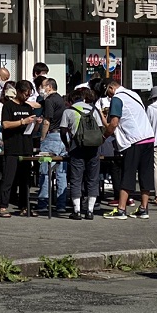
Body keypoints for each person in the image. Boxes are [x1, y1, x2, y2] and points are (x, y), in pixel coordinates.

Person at [103, 80, 155, 220]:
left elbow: (114, 123)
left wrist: (104, 136)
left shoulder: (117, 98)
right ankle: (144, 208)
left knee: (128, 173)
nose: (108, 97)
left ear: (111, 88)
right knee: (146, 174)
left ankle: (121, 209)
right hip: (148, 137)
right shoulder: (133, 94)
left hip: (133, 140)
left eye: (107, 93)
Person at [60, 84, 104, 220]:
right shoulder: (93, 109)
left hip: (76, 147)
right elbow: (101, 129)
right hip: (93, 148)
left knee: (76, 179)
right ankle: (90, 211)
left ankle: (77, 211)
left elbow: (62, 130)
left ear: (71, 100)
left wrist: (67, 144)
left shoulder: (68, 111)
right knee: (93, 178)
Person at [0, 81, 33, 217]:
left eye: (29, 94)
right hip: (12, 146)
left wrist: (34, 123)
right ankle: (3, 206)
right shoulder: (8, 106)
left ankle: (24, 206)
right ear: (17, 91)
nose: (27, 96)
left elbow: (30, 128)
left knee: (25, 180)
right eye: (25, 93)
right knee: (8, 178)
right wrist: (22, 122)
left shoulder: (28, 107)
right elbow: (5, 124)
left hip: (26, 146)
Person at [35, 78, 68, 213]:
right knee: (61, 173)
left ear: (49, 87)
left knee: (45, 171)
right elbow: (37, 104)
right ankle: (61, 204)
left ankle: (43, 202)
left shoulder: (49, 100)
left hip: (52, 137)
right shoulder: (60, 99)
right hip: (63, 137)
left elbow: (47, 121)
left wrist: (42, 137)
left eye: (43, 86)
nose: (41, 89)